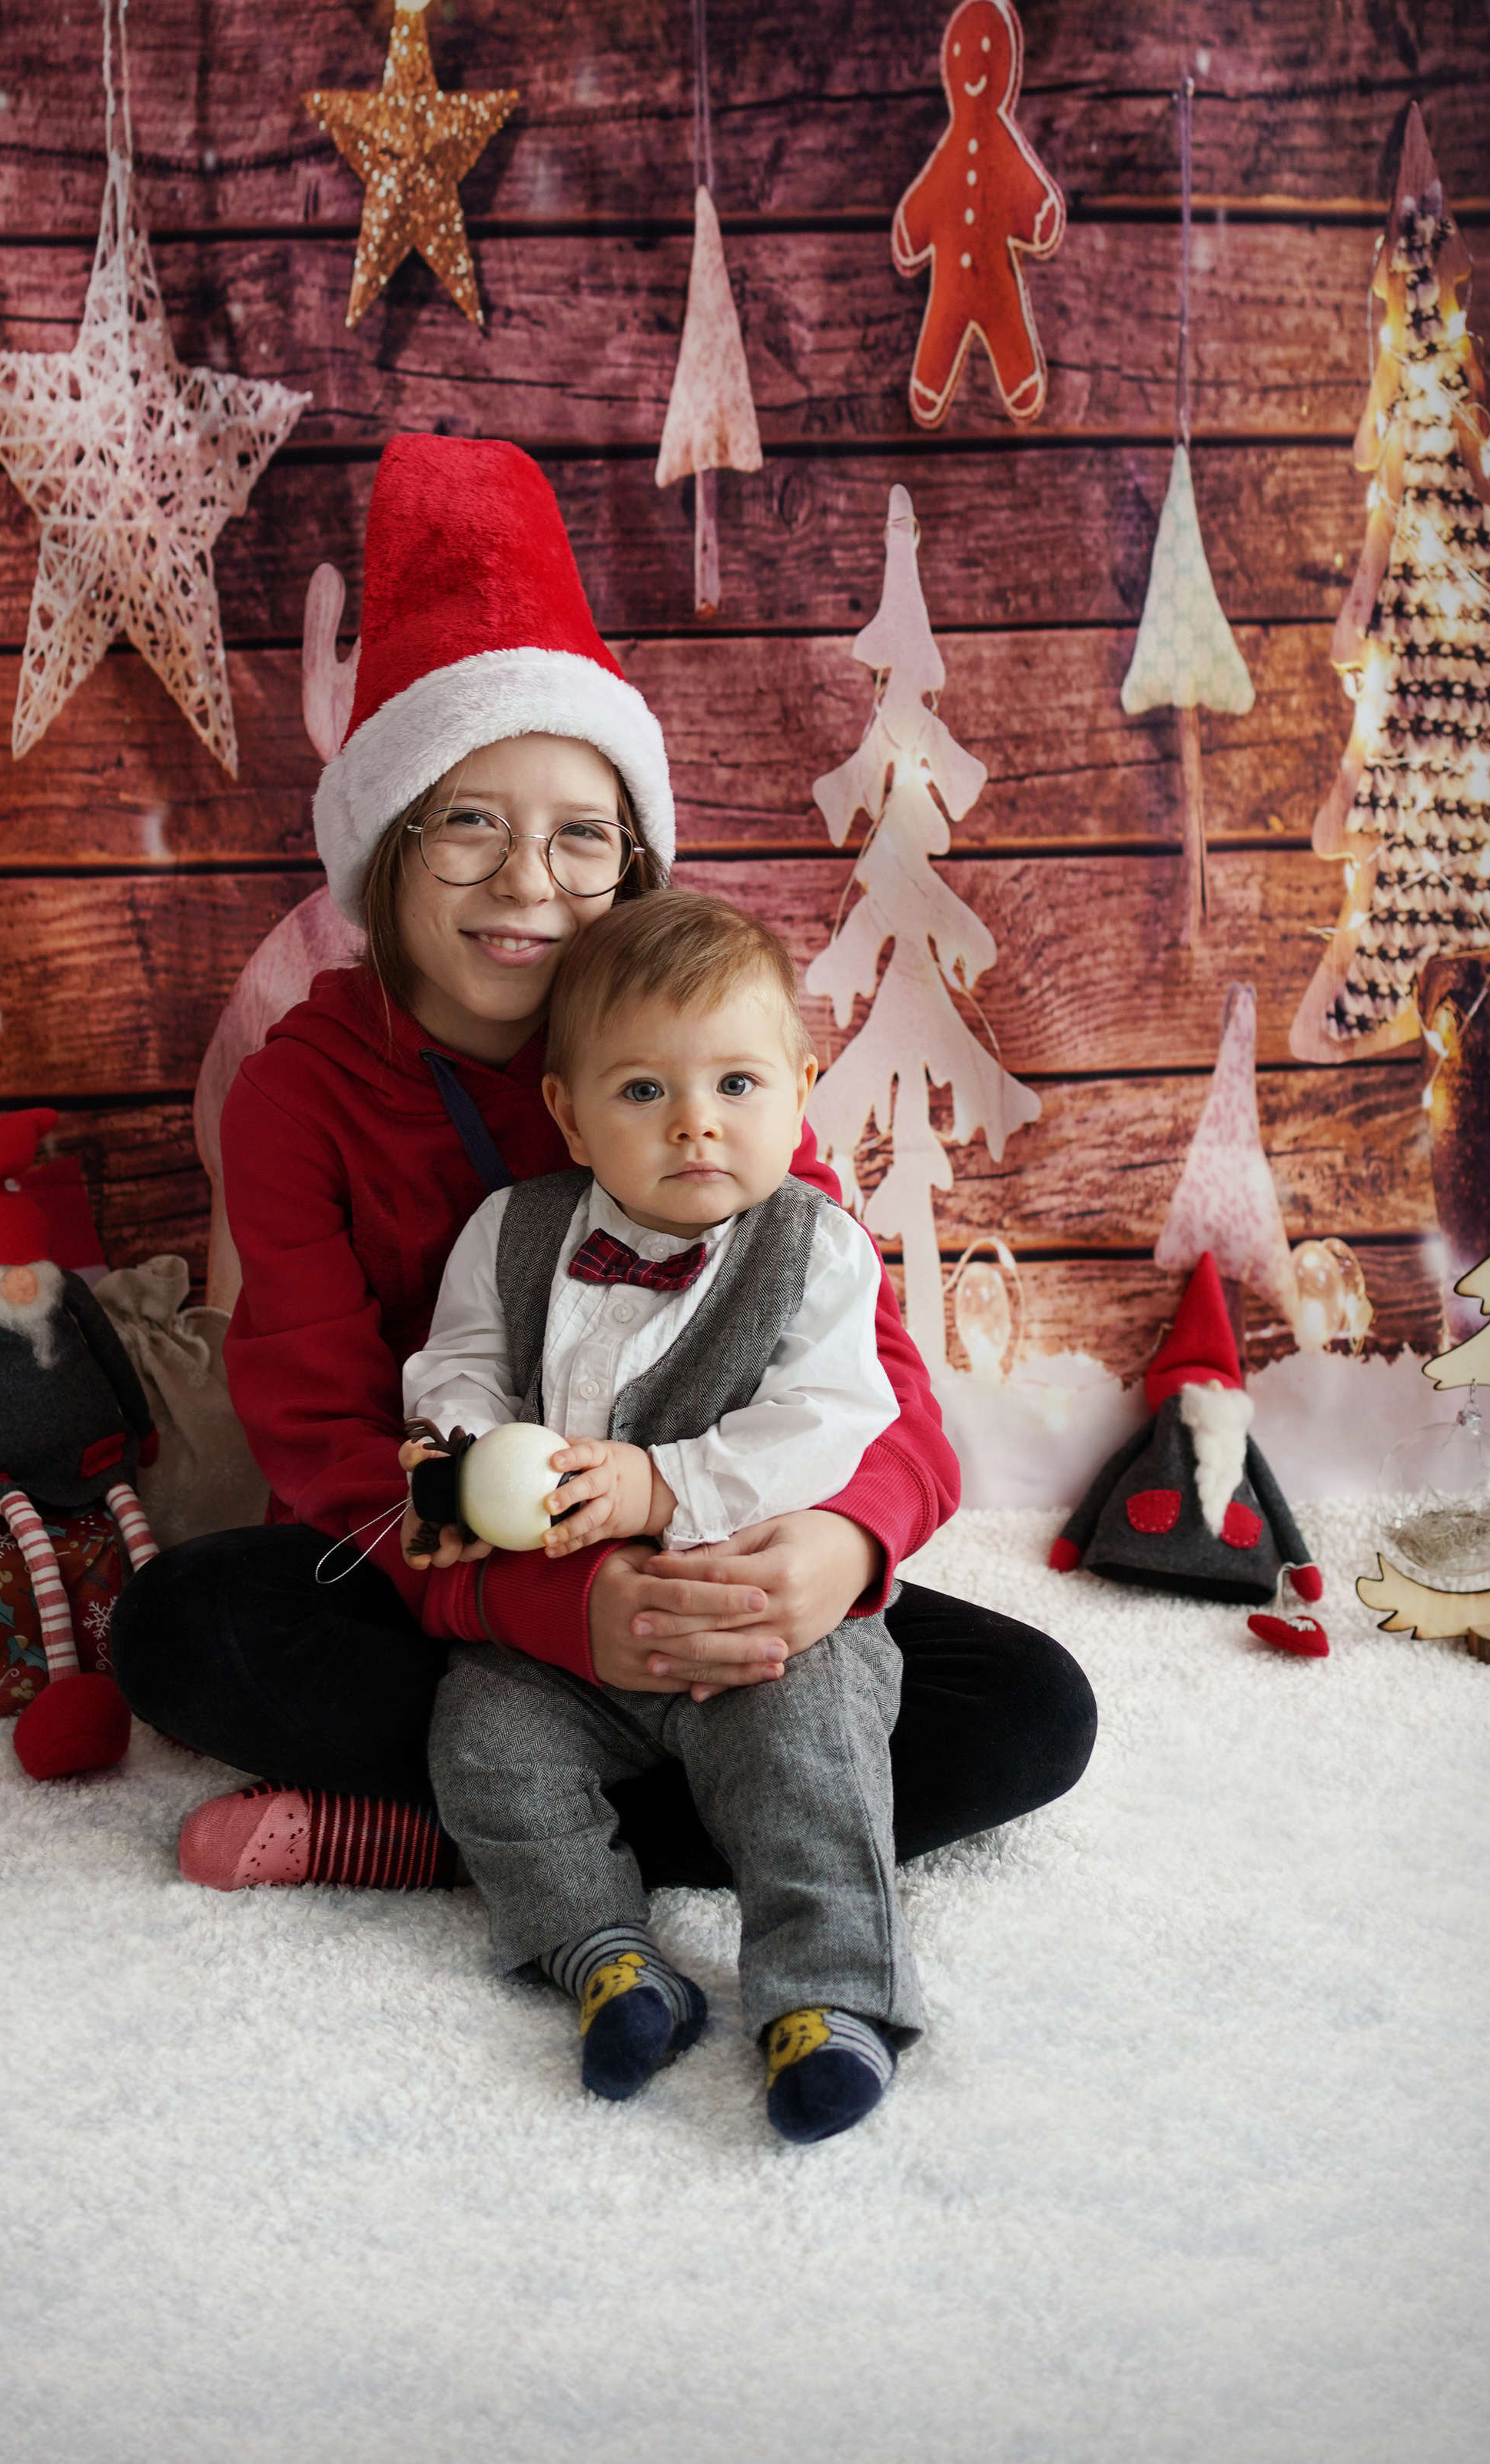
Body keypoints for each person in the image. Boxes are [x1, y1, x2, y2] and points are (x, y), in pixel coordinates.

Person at [109, 432, 1096, 1903]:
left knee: (1028, 1711)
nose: (529, 884)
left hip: (710, 1529)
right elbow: (325, 1455)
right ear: (388, 845)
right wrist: (565, 1611)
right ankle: (571, 1812)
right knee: (187, 1628)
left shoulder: (704, 1057)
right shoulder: (297, 1095)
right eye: (471, 828)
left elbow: (883, 1386)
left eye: (582, 836)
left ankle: (436, 1836)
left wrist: (842, 1547)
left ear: (631, 860)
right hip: (450, 1583)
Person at [402, 888, 921, 2144]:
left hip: (751, 1618)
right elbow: (460, 1363)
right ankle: (604, 1950)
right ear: (569, 1113)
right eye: (644, 1092)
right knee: (481, 1734)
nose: (697, 1121)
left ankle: (829, 1997)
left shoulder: (820, 1248)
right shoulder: (512, 1231)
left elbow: (833, 1416)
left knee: (815, 1753)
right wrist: (463, 1458)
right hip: (559, 1633)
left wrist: (662, 1485)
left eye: (738, 1083)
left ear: (801, 1087)